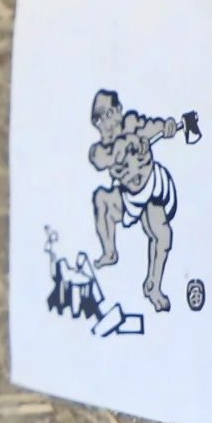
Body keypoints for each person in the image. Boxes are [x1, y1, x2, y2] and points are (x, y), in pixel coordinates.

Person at [88, 88, 185, 313]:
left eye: (108, 113)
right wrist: (121, 146)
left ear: (119, 110)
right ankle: (109, 251)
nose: (105, 122)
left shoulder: (133, 123)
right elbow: (101, 160)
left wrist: (167, 126)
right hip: (127, 197)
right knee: (101, 198)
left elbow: (154, 127)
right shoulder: (100, 149)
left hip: (151, 187)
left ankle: (153, 286)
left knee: (162, 234)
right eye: (99, 118)